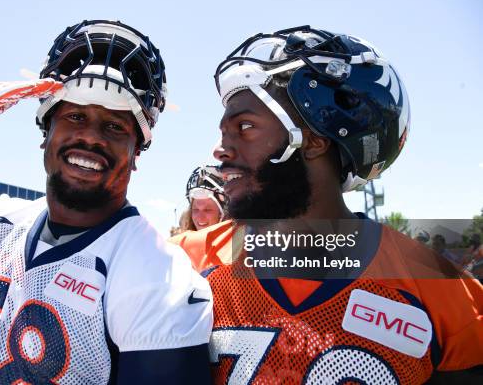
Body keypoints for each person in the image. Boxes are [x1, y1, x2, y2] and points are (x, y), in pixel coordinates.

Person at [0, 20, 213, 384]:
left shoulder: (158, 275)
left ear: (136, 152)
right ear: (46, 131)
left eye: (114, 126)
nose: (90, 137)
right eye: (75, 115)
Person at [195, 26, 482, 383]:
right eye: (224, 131)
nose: (220, 150)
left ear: (315, 141)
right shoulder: (184, 263)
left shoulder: (441, 291)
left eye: (246, 126)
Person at [170, 165, 235, 272]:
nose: (200, 218)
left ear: (224, 213)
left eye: (208, 210)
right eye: (195, 210)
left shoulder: (239, 250)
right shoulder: (178, 249)